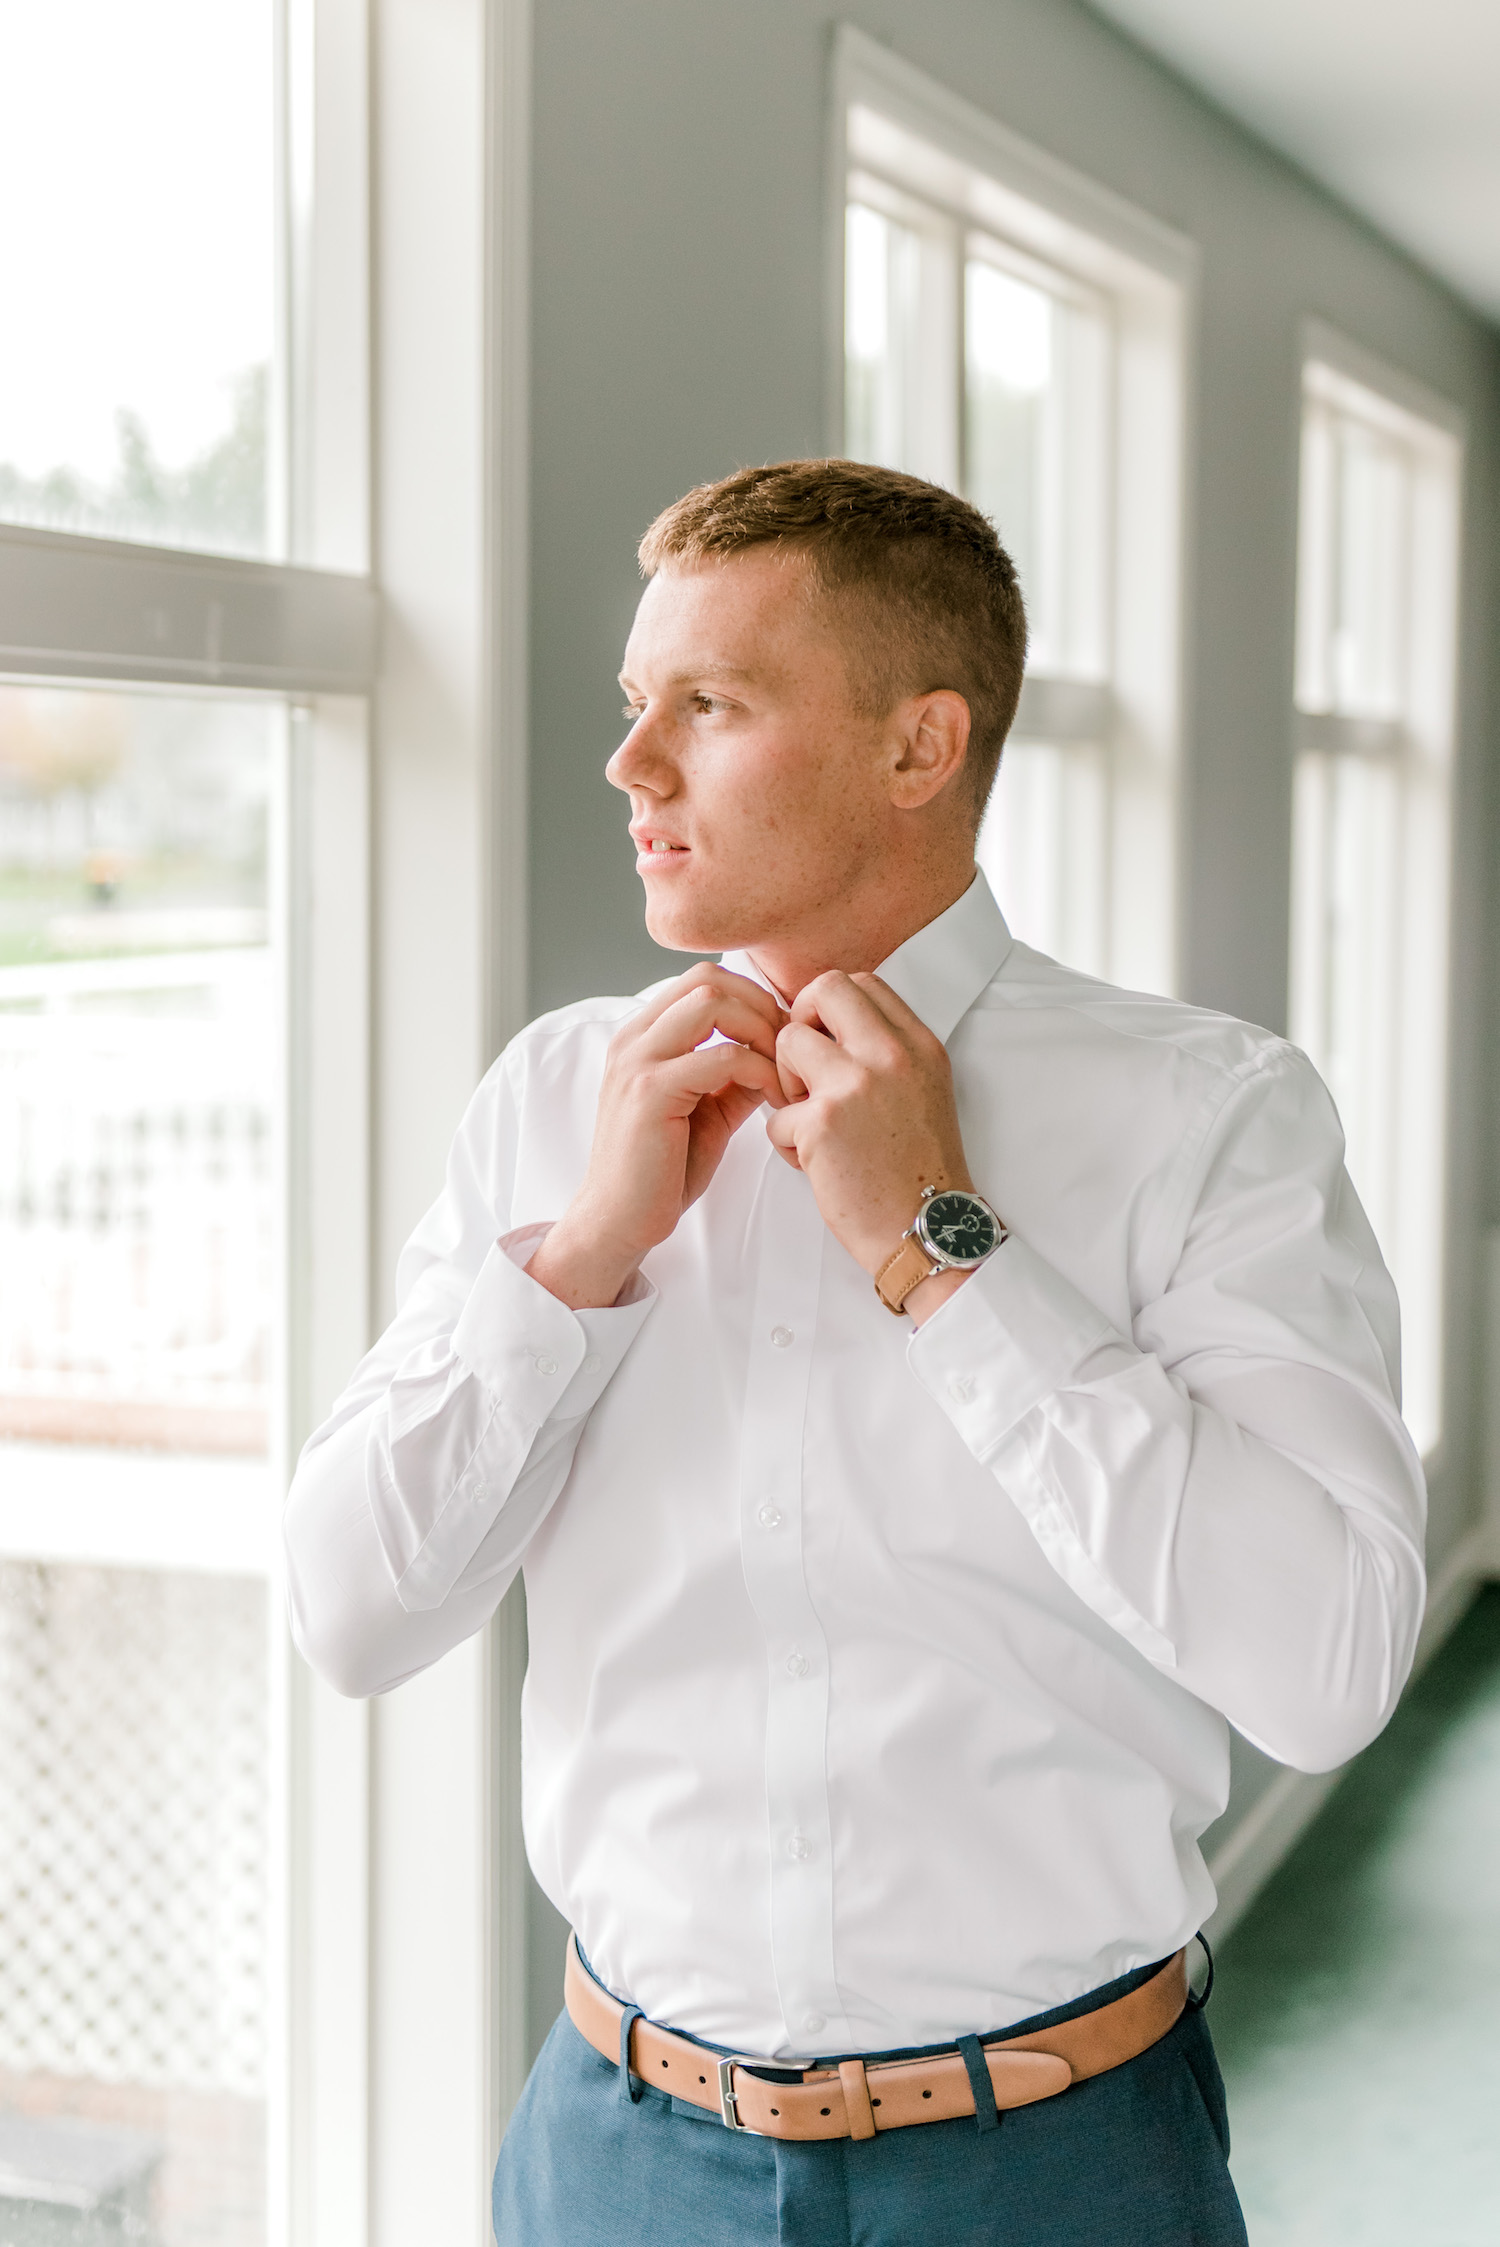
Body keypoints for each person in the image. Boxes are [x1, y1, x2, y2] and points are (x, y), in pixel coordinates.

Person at [283, 460, 1426, 2246]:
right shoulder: (551, 1105)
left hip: (1055, 2168)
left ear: (921, 747)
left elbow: (1332, 1665)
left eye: (709, 706)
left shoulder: (1210, 1114)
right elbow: (349, 1617)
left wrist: (946, 1251)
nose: (632, 764)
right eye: (633, 706)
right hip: (618, 2157)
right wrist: (579, 1264)